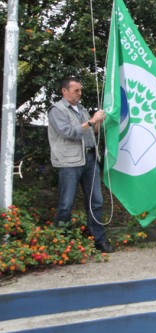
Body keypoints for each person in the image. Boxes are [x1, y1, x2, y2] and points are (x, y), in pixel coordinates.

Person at [47, 76, 114, 253]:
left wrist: (97, 123)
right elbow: (69, 132)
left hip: (90, 159)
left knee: (96, 202)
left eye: (80, 90)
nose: (80, 93)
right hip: (69, 162)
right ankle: (61, 243)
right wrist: (91, 121)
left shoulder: (81, 109)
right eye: (76, 90)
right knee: (66, 203)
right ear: (64, 91)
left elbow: (90, 132)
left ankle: (98, 240)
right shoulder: (57, 110)